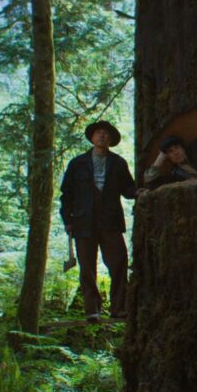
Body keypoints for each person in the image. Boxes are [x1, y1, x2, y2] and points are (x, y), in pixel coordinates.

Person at [60, 120, 137, 321]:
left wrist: (142, 191)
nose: (102, 136)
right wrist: (67, 220)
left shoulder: (118, 163)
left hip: (111, 222)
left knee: (119, 263)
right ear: (92, 138)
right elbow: (66, 194)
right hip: (83, 223)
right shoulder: (77, 163)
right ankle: (92, 310)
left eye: (106, 134)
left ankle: (119, 308)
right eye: (98, 133)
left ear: (111, 139)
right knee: (87, 267)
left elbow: (128, 189)